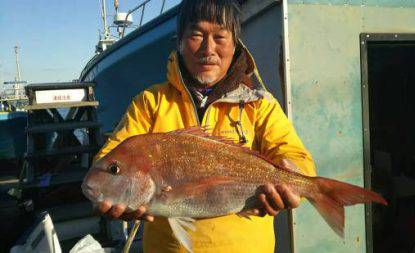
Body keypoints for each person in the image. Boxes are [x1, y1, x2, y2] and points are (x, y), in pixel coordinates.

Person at [93, 0, 316, 252]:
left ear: (235, 44)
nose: (208, 49)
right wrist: (115, 192)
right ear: (180, 41)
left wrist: (294, 178)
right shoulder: (150, 103)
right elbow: (110, 159)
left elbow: (297, 158)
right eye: (196, 35)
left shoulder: (259, 104)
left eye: (220, 36)